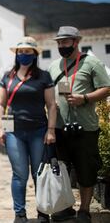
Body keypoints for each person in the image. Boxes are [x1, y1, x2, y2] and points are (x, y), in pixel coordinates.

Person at [48, 26, 110, 223]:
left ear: (76, 42)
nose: (61, 46)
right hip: (59, 127)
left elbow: (107, 88)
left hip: (85, 128)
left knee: (86, 170)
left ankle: (84, 210)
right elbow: (48, 92)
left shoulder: (92, 62)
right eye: (58, 42)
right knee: (63, 171)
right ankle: (66, 208)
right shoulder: (54, 66)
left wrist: (85, 98)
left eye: (65, 42)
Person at [0, 37, 56, 223]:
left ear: (35, 54)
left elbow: (52, 105)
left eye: (28, 52)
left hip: (39, 130)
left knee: (39, 173)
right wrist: (0, 128)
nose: (23, 55)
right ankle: (20, 214)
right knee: (19, 174)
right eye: (20, 52)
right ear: (16, 54)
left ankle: (42, 212)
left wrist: (51, 130)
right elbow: (1, 104)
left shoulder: (43, 76)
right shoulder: (8, 76)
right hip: (14, 132)